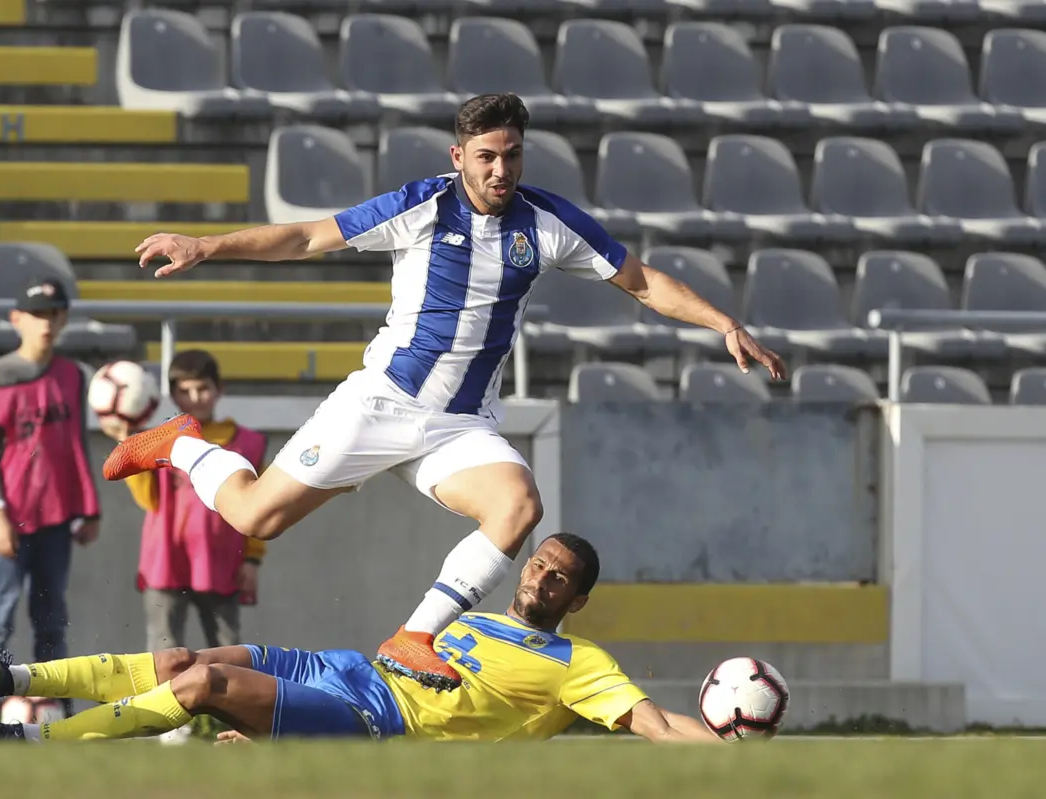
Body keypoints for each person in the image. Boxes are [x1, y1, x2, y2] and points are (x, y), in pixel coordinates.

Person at [102, 92, 788, 693]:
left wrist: (723, 323)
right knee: (256, 517)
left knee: (518, 506)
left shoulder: (548, 222)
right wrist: (206, 245)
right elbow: (307, 237)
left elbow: (641, 281)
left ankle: (414, 635)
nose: (500, 170)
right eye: (486, 156)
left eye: (512, 156)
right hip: (380, 405)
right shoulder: (422, 206)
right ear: (459, 156)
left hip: (460, 426)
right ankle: (182, 442)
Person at [0, 533, 721, 744]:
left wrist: (727, 748)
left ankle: (29, 744)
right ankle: (9, 678)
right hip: (345, 668)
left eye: (559, 579)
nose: (540, 578)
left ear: (577, 599)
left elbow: (653, 722)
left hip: (375, 717)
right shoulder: (479, 616)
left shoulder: (580, 662)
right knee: (183, 660)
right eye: (539, 564)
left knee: (203, 688)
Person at [0, 277, 101, 717]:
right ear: (17, 319)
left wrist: (88, 507)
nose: (46, 323)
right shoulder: (0, 373)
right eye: (37, 314)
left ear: (64, 319)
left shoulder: (72, 375)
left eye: (54, 313)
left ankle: (56, 710)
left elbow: (78, 442)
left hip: (57, 519)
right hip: (11, 517)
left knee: (51, 621)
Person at [101, 349, 268, 655]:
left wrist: (252, 560)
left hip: (221, 560)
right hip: (166, 559)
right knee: (164, 652)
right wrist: (127, 445)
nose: (195, 398)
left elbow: (258, 502)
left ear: (219, 389)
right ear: (172, 395)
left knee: (228, 651)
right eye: (185, 391)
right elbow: (148, 499)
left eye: (202, 388)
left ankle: (229, 691)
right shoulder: (159, 440)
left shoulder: (248, 443)